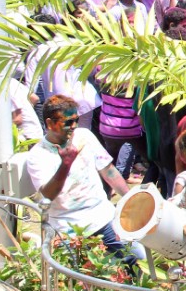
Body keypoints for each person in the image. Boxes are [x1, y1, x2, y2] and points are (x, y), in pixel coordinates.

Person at [25, 95, 134, 261]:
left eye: (76, 120)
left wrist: (131, 198)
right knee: (75, 282)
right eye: (68, 122)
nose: (74, 126)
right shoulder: (37, 156)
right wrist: (66, 164)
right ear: (49, 123)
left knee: (133, 261)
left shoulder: (84, 136)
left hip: (103, 217)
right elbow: (47, 195)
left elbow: (109, 171)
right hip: (68, 230)